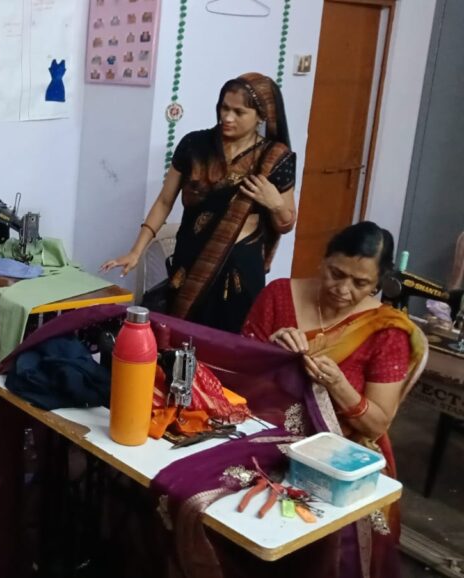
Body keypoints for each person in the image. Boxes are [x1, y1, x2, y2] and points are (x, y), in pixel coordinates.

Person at [243, 221, 427, 577]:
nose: (343, 290)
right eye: (336, 273)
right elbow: (238, 375)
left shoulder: (386, 330)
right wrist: (268, 352)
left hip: (341, 447)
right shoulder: (278, 296)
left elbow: (376, 423)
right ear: (322, 261)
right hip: (263, 427)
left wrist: (338, 385)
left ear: (379, 282)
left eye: (360, 283)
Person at [101, 72, 298, 332]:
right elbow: (164, 201)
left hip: (241, 272)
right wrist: (136, 251)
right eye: (224, 108)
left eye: (239, 112)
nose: (227, 117)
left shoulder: (274, 158)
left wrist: (274, 203)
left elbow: (286, 223)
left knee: (228, 346)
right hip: (189, 262)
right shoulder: (195, 145)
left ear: (262, 116)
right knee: (179, 340)